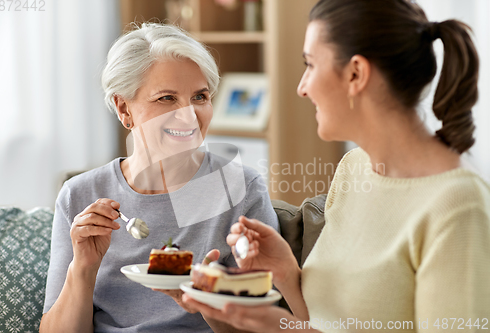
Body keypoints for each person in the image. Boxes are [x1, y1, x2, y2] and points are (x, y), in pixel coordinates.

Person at [182, 0, 490, 331]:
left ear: (356, 73)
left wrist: (278, 328)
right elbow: (322, 323)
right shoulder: (353, 168)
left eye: (310, 64)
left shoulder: (458, 206)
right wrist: (287, 274)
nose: (302, 87)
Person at [39, 23, 278, 333]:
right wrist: (82, 269)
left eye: (200, 97)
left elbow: (271, 324)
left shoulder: (242, 189)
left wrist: (209, 303)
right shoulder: (79, 195)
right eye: (167, 98)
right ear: (124, 109)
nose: (189, 115)